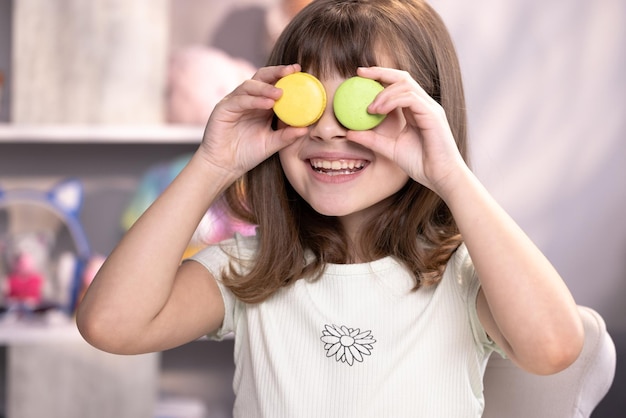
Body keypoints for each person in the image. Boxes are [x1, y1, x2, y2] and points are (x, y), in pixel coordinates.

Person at [76, 0, 584, 416]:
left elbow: (555, 348)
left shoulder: (463, 274)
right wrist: (212, 163)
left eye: (362, 106)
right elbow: (110, 325)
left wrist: (449, 174)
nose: (326, 130)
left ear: (427, 116)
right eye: (309, 101)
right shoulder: (249, 268)